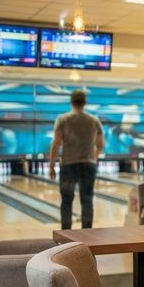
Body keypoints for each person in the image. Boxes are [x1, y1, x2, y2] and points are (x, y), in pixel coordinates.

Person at [48, 89, 104, 230]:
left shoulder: (62, 119)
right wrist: (94, 157)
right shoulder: (94, 120)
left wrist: (51, 165)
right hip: (88, 164)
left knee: (66, 201)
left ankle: (66, 234)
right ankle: (87, 234)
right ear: (85, 102)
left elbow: (56, 144)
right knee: (87, 199)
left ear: (71, 102)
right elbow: (100, 144)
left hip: (68, 164)